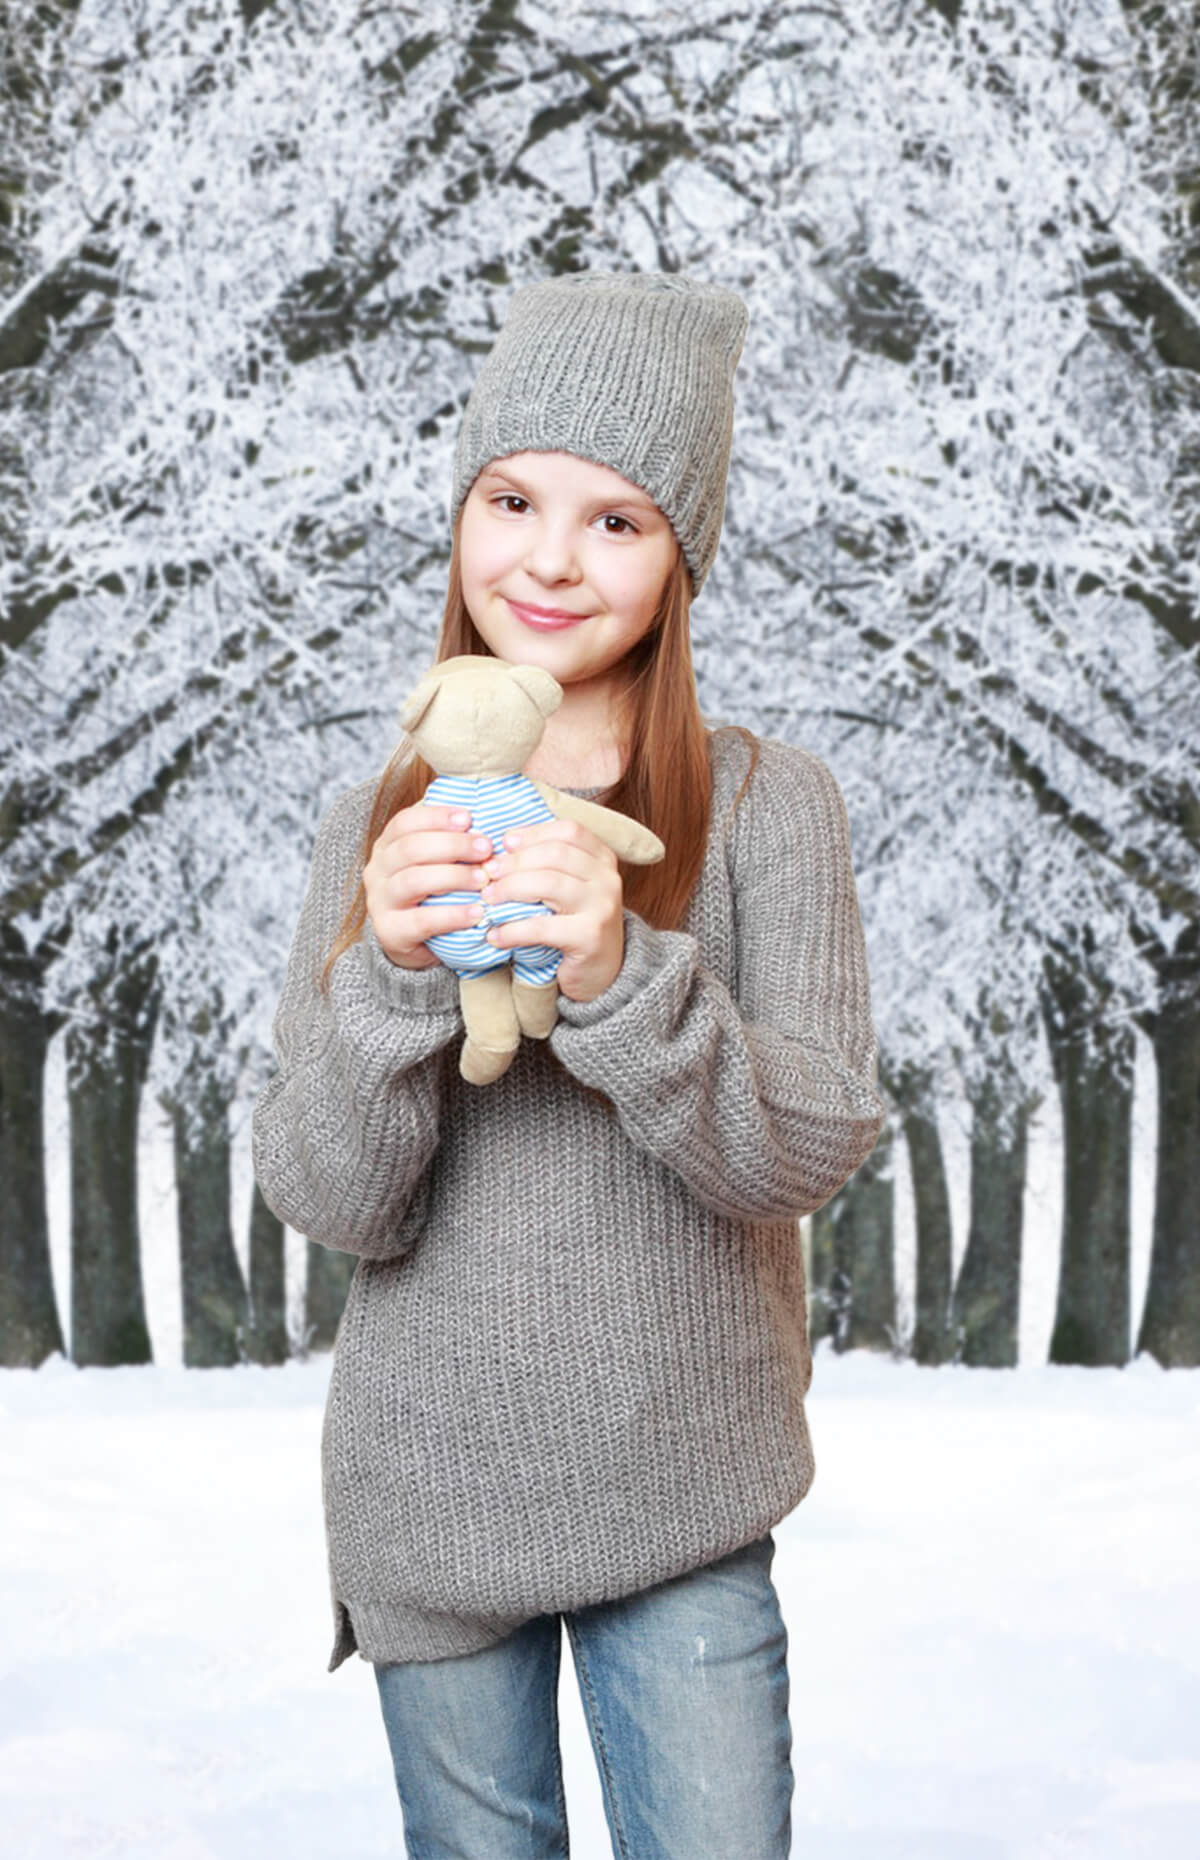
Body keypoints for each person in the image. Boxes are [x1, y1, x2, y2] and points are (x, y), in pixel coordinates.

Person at [252, 269, 887, 1860]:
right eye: (512, 498)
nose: (547, 559)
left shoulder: (764, 808)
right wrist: (393, 983)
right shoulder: (374, 828)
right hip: (429, 1494)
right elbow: (332, 1203)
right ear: (461, 512)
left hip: (687, 1483)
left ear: (684, 560)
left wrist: (621, 978)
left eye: (619, 520)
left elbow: (805, 1145)